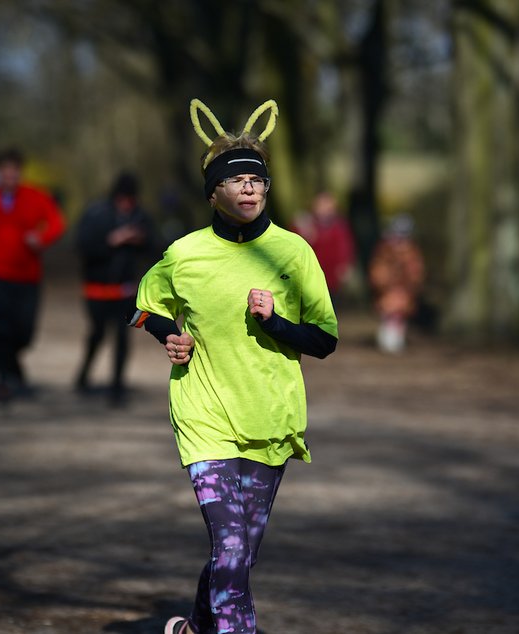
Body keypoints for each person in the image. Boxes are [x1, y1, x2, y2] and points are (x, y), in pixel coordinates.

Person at [129, 99, 338, 634]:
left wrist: (276, 324)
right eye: (236, 179)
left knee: (237, 556)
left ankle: (195, 627)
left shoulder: (293, 254)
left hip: (270, 418)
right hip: (204, 417)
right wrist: (169, 335)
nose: (249, 188)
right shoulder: (184, 254)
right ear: (213, 191)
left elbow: (324, 341)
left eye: (257, 180)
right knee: (229, 545)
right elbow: (145, 305)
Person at [0, 148, 66, 401]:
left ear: (19, 172)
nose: (9, 175)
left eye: (14, 170)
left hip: (28, 276)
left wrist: (41, 238)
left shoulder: (35, 196)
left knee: (25, 333)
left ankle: (13, 367)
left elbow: (57, 222)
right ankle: (4, 380)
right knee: (3, 328)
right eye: (4, 170)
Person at [74, 171, 156, 406]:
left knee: (122, 337)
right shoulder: (97, 213)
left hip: (125, 291)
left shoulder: (141, 217)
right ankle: (84, 375)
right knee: (97, 333)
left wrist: (141, 240)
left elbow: (155, 245)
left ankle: (117, 387)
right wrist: (111, 241)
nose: (127, 203)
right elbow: (82, 245)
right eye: (123, 198)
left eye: (131, 199)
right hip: (97, 289)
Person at [368, 213, 425, 354]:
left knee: (399, 315)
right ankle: (388, 339)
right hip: (387, 289)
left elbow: (416, 272)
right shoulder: (384, 250)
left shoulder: (412, 252)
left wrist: (411, 285)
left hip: (404, 290)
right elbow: (377, 270)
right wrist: (383, 282)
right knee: (389, 313)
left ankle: (395, 339)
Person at [291, 191, 356, 296]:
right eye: (322, 205)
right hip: (310, 275)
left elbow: (345, 247)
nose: (325, 209)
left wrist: (345, 266)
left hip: (331, 276)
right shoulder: (305, 223)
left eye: (329, 205)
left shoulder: (339, 226)